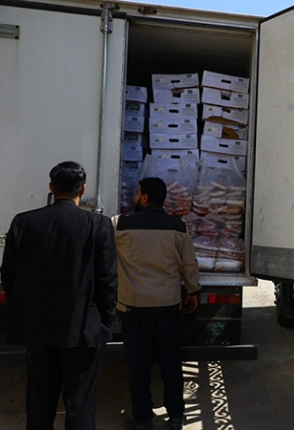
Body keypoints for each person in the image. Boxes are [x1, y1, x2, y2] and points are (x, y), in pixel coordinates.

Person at [1, 161, 118, 429]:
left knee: (39, 403)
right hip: (83, 329)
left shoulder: (23, 222)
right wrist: (104, 321)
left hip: (38, 328)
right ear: (83, 189)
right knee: (80, 406)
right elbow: (107, 280)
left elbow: (9, 275)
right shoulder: (97, 225)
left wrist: (25, 312)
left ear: (51, 187)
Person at [112, 177, 200, 430]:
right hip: (168, 308)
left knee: (138, 365)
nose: (134, 197)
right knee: (171, 363)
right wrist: (193, 291)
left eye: (137, 193)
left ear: (145, 197)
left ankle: (143, 418)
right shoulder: (178, 228)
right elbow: (189, 264)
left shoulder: (120, 225)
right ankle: (176, 415)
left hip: (134, 308)